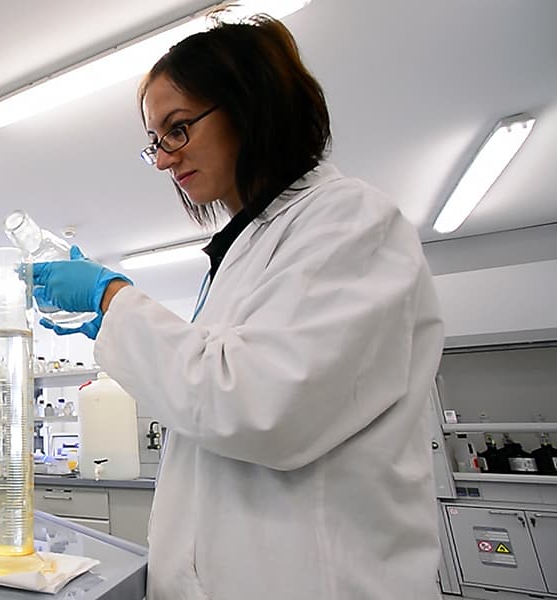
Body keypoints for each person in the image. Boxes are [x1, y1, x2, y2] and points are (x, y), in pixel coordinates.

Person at [30, 14, 445, 600]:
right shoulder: (245, 251)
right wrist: (116, 322)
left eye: (178, 129)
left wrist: (113, 299)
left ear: (252, 104)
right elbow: (209, 391)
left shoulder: (349, 220)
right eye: (156, 142)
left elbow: (255, 404)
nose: (167, 158)